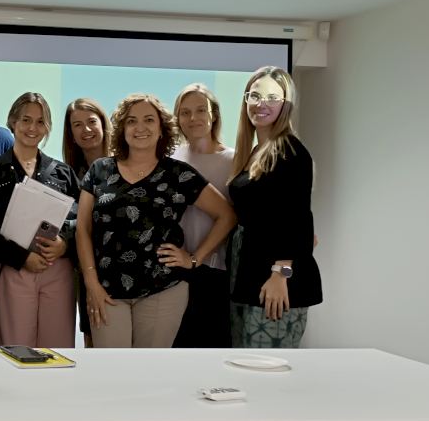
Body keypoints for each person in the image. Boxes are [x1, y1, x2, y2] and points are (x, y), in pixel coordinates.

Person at [76, 94, 236, 348]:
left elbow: (227, 215)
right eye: (132, 121)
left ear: (162, 129)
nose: (140, 127)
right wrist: (91, 283)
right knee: (111, 368)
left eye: (149, 120)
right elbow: (83, 230)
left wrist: (194, 258)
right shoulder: (100, 170)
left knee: (150, 368)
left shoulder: (178, 174)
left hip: (163, 289)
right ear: (122, 128)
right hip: (105, 290)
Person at [228, 67, 322, 349]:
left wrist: (281, 274)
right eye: (255, 96)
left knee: (266, 364)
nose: (261, 103)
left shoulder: (290, 152)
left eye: (272, 97)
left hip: (274, 279)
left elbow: (298, 219)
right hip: (248, 272)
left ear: (286, 103)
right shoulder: (256, 151)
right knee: (243, 361)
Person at [0, 93, 78, 348]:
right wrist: (21, 257)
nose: (33, 128)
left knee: (57, 349)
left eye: (40, 122)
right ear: (13, 122)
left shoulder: (63, 172)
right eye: (26, 120)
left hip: (57, 268)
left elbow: (81, 220)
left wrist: (64, 243)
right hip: (13, 268)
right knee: (15, 348)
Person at [171, 84, 236, 348]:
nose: (193, 118)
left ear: (214, 114)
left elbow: (233, 216)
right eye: (185, 112)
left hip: (214, 272)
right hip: (175, 272)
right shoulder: (172, 158)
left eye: (200, 110)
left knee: (212, 352)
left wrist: (196, 258)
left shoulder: (233, 160)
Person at [62, 97, 113, 347]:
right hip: (85, 268)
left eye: (92, 121)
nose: (86, 129)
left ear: (104, 124)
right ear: (70, 134)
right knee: (93, 339)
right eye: (77, 125)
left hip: (122, 266)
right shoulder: (66, 174)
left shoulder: (125, 165)